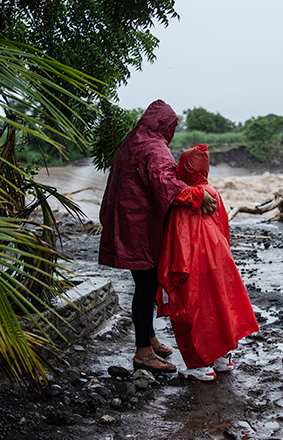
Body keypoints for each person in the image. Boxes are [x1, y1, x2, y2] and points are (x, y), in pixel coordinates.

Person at [98, 100, 217, 373]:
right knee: (146, 286)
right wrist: (198, 195)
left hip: (127, 224)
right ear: (166, 125)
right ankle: (143, 352)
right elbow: (165, 183)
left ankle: (149, 338)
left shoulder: (133, 141)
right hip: (140, 228)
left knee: (145, 284)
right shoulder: (154, 146)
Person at [158, 144, 259, 382]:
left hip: (194, 262)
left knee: (191, 310)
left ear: (184, 169)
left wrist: (172, 272)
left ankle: (200, 366)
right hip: (219, 259)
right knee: (220, 306)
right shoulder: (212, 192)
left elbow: (180, 237)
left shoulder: (187, 198)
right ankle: (222, 358)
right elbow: (224, 228)